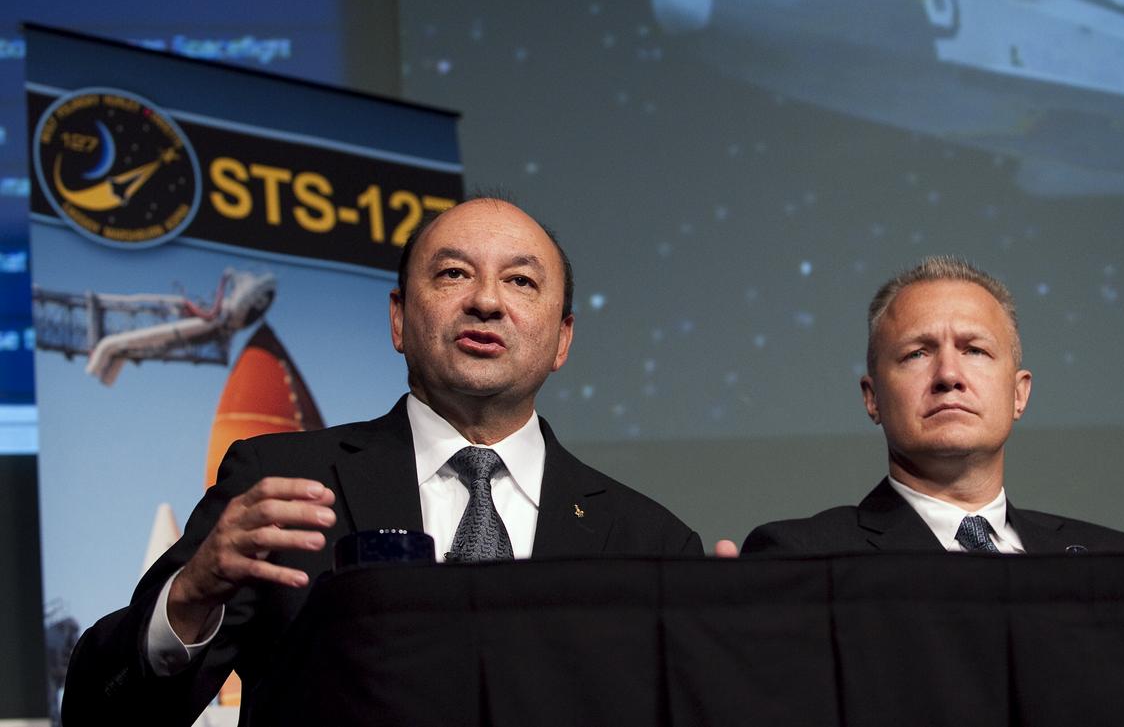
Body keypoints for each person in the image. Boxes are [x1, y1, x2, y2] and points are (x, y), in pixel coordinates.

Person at [63, 197, 701, 724]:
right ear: (399, 319)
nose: (486, 300)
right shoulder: (279, 485)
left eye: (521, 281)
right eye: (453, 274)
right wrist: (190, 598)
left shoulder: (652, 545)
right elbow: (106, 714)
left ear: (562, 339)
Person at [742, 257, 1124, 555]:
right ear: (873, 399)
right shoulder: (802, 557)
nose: (948, 375)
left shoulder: (1122, 560)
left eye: (974, 350)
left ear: (1019, 394)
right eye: (917, 353)